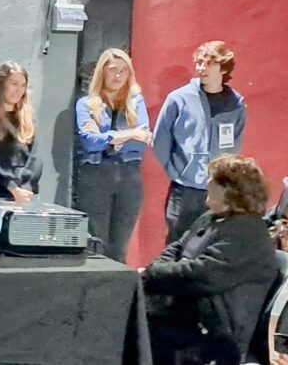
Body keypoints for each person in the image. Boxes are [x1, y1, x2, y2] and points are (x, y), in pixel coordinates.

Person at [142, 154, 278, 364]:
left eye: (213, 179)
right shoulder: (211, 218)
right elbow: (177, 248)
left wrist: (151, 273)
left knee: (140, 331)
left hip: (216, 335)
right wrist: (155, 269)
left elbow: (201, 275)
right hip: (187, 315)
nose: (207, 183)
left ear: (231, 191)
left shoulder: (248, 234)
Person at [154, 41, 247, 243]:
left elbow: (236, 142)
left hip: (219, 187)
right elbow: (160, 139)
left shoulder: (236, 103)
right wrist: (175, 172)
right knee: (177, 242)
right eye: (199, 63)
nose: (201, 68)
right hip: (184, 189)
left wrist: (226, 178)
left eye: (209, 63)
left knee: (211, 243)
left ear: (223, 68)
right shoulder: (178, 99)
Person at [73, 49, 151, 262]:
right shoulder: (86, 104)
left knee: (119, 248)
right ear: (102, 72)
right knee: (95, 245)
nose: (118, 75)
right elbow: (89, 141)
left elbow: (142, 141)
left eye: (124, 70)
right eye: (113, 70)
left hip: (129, 177)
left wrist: (106, 139)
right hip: (96, 176)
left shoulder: (136, 102)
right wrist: (128, 134)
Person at [0, 61, 42, 203]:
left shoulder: (28, 117)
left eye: (23, 85)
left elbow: (36, 156)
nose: (18, 90)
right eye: (14, 83)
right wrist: (13, 188)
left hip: (27, 193)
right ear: (1, 84)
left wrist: (26, 187)